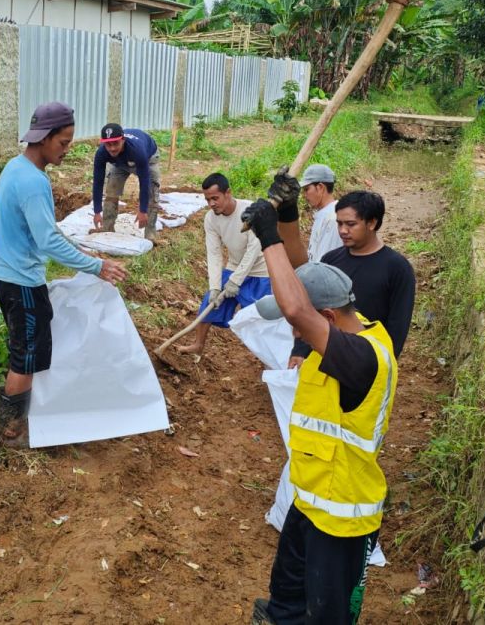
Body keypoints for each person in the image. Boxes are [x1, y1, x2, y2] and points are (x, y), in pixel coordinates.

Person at [241, 176, 399, 625]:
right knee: (286, 592)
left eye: (302, 326)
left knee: (326, 614)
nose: (293, 331)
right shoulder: (353, 322)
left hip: (342, 516)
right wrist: (288, 215)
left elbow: (296, 310)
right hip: (310, 499)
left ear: (325, 317)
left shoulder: (358, 358)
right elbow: (299, 268)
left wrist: (267, 233)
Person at [0, 102, 128, 448]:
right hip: (21, 280)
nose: (67, 150)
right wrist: (97, 265)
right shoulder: (34, 182)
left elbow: (43, 231)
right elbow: (48, 239)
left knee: (24, 347)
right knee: (25, 356)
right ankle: (9, 431)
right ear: (45, 138)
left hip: (6, 273)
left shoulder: (14, 167)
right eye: (64, 143)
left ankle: (12, 422)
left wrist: (83, 253)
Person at [283, 188, 415, 368]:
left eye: (351, 224)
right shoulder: (330, 260)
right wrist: (299, 350)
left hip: (364, 357)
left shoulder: (397, 268)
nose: (343, 230)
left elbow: (397, 324)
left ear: (372, 223)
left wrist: (383, 365)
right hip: (325, 352)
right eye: (339, 224)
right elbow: (312, 307)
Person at [176, 173, 270, 356]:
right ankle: (198, 344)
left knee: (260, 318)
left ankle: (267, 357)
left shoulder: (250, 211)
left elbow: (254, 248)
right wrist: (215, 287)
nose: (211, 204)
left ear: (228, 193)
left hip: (262, 270)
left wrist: (236, 281)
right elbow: (214, 254)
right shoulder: (211, 219)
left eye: (215, 198)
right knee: (208, 304)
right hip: (235, 266)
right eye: (207, 199)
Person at [91, 123, 161, 241]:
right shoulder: (101, 153)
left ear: (122, 140)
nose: (112, 148)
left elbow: (145, 181)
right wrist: (97, 211)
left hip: (149, 158)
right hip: (120, 162)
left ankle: (151, 233)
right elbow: (98, 181)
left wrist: (142, 210)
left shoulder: (137, 150)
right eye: (108, 144)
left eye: (116, 143)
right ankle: (107, 227)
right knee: (111, 189)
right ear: (103, 143)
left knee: (152, 192)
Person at [302, 164, 342, 263]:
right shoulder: (324, 214)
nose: (304, 195)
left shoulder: (332, 219)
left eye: (307, 189)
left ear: (320, 187)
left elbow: (323, 264)